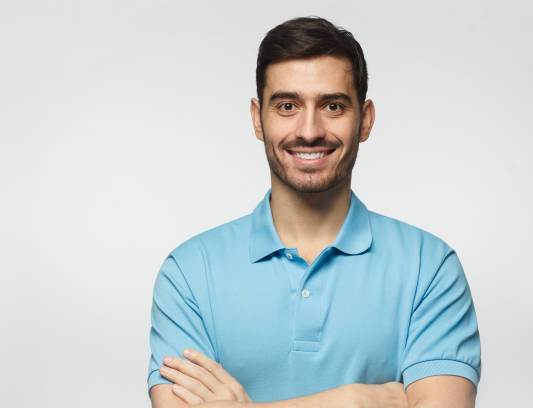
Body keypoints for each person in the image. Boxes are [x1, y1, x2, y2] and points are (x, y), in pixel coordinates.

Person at [147, 16, 481, 408]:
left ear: (366, 119)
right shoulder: (189, 272)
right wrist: (353, 400)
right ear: (258, 118)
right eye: (287, 106)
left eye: (333, 106)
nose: (309, 130)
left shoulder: (430, 266)